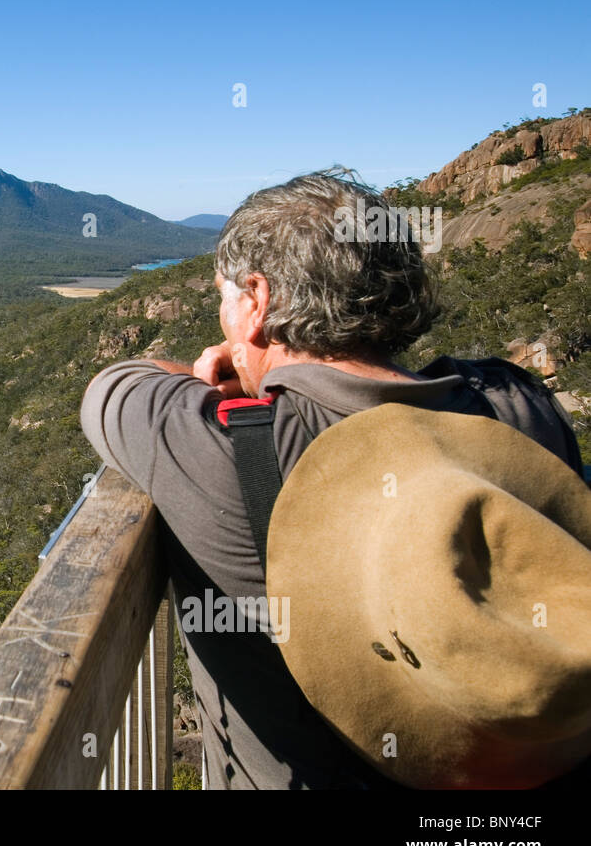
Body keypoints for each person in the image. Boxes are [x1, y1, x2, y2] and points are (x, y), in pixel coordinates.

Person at [79, 169, 586, 789]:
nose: (222, 313)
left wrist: (231, 370)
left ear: (258, 300)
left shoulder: (234, 450)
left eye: (224, 297)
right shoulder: (516, 405)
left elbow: (112, 386)